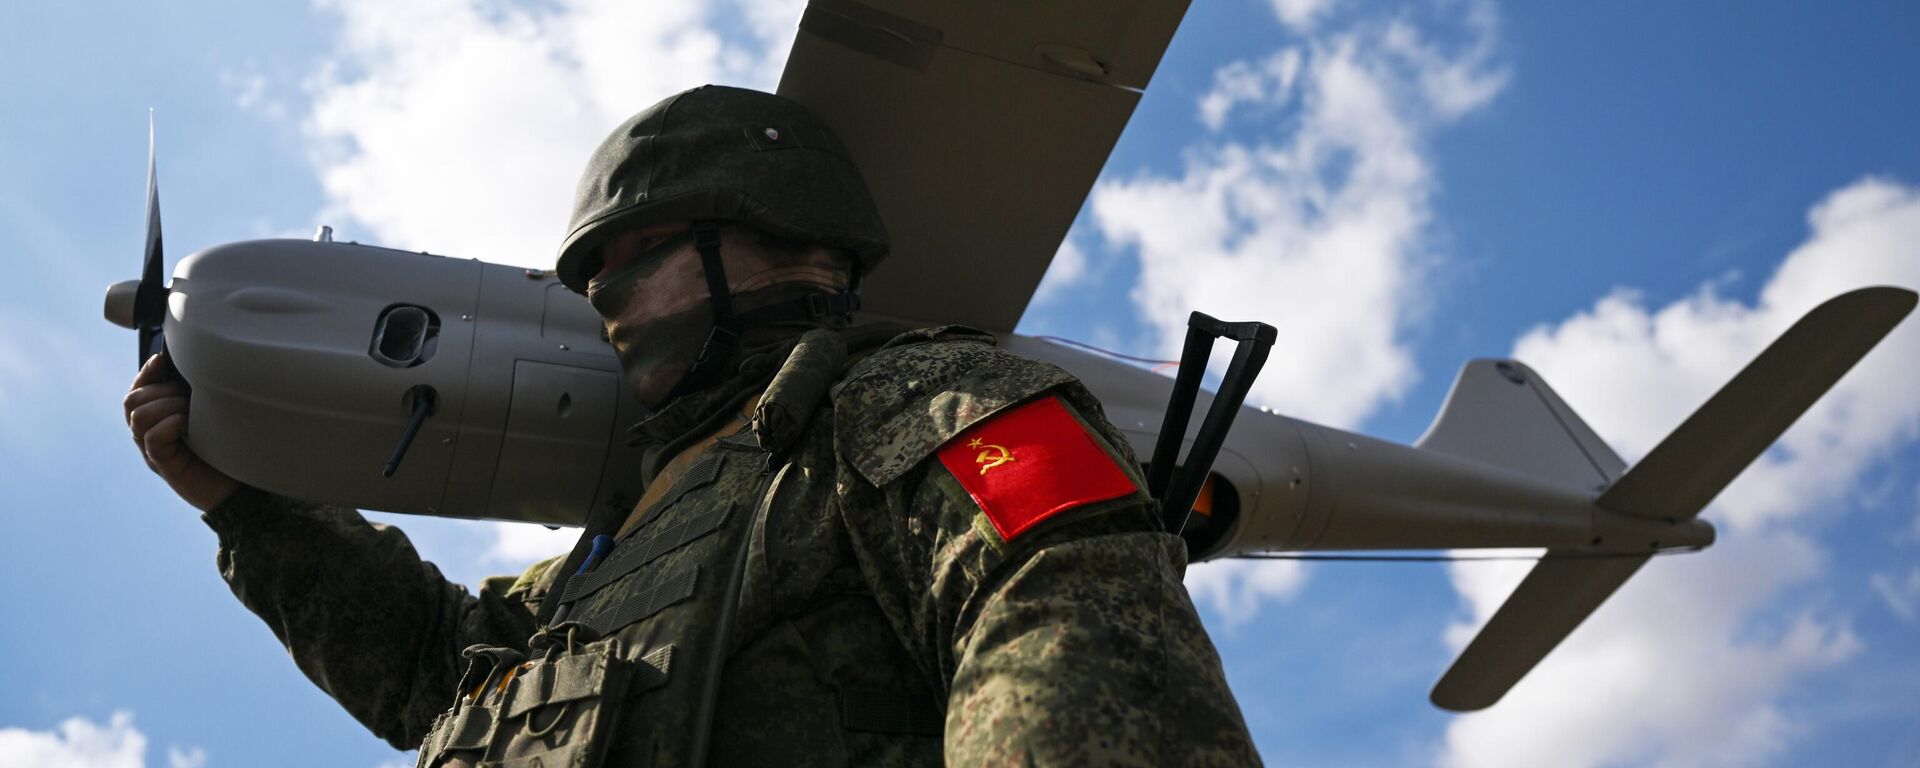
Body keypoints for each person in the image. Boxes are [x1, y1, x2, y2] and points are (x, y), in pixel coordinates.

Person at [125, 85, 1259, 766]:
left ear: (762, 234)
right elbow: (434, 668)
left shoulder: (918, 404)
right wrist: (245, 507)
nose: (602, 295)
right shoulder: (614, 550)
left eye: (629, 255)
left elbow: (1062, 621)